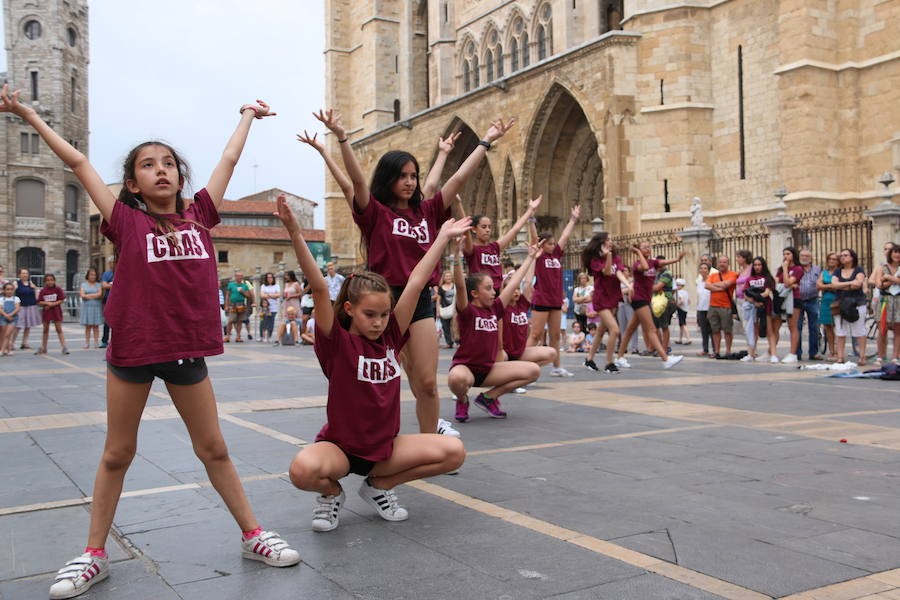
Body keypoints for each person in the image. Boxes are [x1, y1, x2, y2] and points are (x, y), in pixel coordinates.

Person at [0, 88, 302, 600]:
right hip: (134, 351)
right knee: (118, 453)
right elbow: (76, 160)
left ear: (180, 177)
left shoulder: (201, 216)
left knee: (214, 448)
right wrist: (25, 113)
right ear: (133, 183)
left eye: (168, 163)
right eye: (147, 165)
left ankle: (253, 534)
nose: (160, 170)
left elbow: (228, 159)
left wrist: (248, 116)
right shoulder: (125, 220)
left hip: (185, 350)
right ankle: (94, 553)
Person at [312, 107, 514, 438]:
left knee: (425, 382)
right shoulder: (375, 213)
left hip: (418, 300)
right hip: (382, 301)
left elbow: (458, 178)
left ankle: (428, 442)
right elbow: (357, 182)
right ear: (389, 178)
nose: (409, 182)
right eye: (402, 175)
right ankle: (355, 434)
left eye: (413, 176)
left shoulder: (428, 211)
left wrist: (486, 141)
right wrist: (342, 138)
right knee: (374, 376)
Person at [280, 194, 468, 532]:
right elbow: (321, 289)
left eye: (384, 314)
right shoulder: (337, 342)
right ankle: (332, 494)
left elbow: (414, 282)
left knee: (453, 452)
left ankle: (379, 487)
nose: (379, 321)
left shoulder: (391, 337)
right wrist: (295, 232)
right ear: (350, 310)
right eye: (370, 315)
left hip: (385, 449)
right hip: (341, 449)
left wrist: (440, 237)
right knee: (302, 471)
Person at [449, 240, 542, 421]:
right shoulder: (467, 311)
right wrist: (455, 255)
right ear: (475, 293)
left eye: (493, 288)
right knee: (455, 378)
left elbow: (514, 283)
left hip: (489, 369)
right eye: (489, 288)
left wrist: (530, 258)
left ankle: (489, 398)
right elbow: (460, 286)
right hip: (466, 369)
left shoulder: (496, 308)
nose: (494, 292)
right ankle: (462, 399)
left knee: (533, 371)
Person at [526, 205, 581, 377]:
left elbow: (565, 236)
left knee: (555, 336)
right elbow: (534, 238)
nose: (553, 245)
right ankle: (522, 366)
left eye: (553, 243)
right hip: (541, 299)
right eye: (549, 243)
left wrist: (573, 219)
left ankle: (557, 367)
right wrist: (531, 218)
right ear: (543, 244)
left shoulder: (556, 255)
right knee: (535, 335)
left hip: (555, 300)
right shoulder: (539, 256)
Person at [615, 243, 685, 369]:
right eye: (644, 247)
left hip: (646, 299)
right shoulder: (636, 265)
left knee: (630, 329)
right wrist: (638, 252)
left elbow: (665, 262)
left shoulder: (654, 262)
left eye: (649, 247)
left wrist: (678, 259)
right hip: (639, 298)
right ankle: (665, 359)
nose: (648, 249)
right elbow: (645, 267)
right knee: (652, 329)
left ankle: (619, 357)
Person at [462, 195, 542, 293]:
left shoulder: (494, 247)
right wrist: (459, 204)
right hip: (481, 294)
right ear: (474, 229)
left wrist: (530, 211)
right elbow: (466, 230)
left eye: (489, 227)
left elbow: (515, 230)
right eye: (483, 227)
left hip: (498, 293)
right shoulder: (473, 249)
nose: (487, 230)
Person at [582, 232, 629, 373]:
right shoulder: (595, 260)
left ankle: (589, 360)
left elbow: (619, 272)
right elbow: (608, 272)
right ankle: (609, 362)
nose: (611, 241)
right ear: (601, 243)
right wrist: (607, 256)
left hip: (613, 297)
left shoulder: (617, 257)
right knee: (614, 330)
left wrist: (628, 285)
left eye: (611, 239)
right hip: (601, 298)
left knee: (601, 331)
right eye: (608, 240)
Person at [831, 248, 868, 365]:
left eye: (845, 255)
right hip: (840, 304)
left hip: (857, 303)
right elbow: (833, 285)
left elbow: (858, 284)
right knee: (840, 330)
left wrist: (842, 285)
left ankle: (862, 356)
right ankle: (840, 356)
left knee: (859, 330)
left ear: (852, 257)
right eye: (841, 255)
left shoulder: (859, 269)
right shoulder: (837, 271)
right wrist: (849, 283)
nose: (842, 257)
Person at [773, 247, 803, 363]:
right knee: (776, 325)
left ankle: (792, 353)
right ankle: (772, 351)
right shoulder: (780, 269)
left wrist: (786, 269)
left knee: (792, 325)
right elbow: (775, 282)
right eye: (784, 254)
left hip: (794, 299)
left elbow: (787, 283)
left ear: (793, 255)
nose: (786, 256)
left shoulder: (797, 269)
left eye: (788, 254)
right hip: (781, 298)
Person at [704, 255, 737, 357]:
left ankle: (728, 351)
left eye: (724, 262)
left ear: (728, 264)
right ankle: (717, 351)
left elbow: (727, 284)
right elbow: (706, 285)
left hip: (726, 306)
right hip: (713, 306)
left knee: (727, 330)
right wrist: (720, 286)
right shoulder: (713, 275)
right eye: (720, 262)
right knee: (715, 330)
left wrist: (714, 286)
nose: (722, 264)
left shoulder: (733, 274)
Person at [746, 257, 777, 362]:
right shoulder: (749, 279)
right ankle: (750, 354)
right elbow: (746, 295)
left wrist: (757, 297)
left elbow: (766, 293)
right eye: (755, 265)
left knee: (769, 330)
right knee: (753, 331)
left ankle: (773, 354)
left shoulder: (768, 278)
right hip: (753, 307)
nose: (757, 267)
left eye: (759, 265)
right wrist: (754, 302)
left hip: (765, 306)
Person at [874, 245, 900, 363]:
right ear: (890, 254)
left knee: (898, 330)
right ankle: (880, 355)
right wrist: (893, 281)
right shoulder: (882, 267)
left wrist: (888, 278)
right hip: (885, 300)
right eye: (895, 252)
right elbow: (879, 284)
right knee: (882, 329)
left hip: (898, 300)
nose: (897, 255)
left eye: (899, 252)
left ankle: (895, 356)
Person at [795, 248, 822, 360]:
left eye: (807, 256)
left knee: (814, 326)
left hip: (813, 299)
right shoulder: (796, 269)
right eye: (802, 256)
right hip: (798, 300)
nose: (804, 258)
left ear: (811, 258)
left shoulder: (817, 269)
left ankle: (814, 352)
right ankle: (797, 353)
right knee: (797, 327)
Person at [36, 273, 68, 355]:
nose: (49, 282)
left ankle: (64, 347)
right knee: (45, 330)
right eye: (47, 280)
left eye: (51, 280)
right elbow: (39, 301)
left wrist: (52, 304)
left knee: (59, 329)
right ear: (45, 282)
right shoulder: (43, 291)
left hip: (56, 311)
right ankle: (44, 347)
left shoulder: (58, 289)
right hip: (46, 312)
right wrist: (46, 303)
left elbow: (61, 299)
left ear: (54, 281)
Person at [817, 252, 840, 361]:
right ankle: (831, 351)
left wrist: (825, 286)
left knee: (838, 326)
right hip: (826, 301)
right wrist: (831, 286)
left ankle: (838, 351)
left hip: (837, 301)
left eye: (834, 259)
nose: (832, 261)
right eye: (830, 259)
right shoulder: (824, 272)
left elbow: (839, 287)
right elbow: (818, 285)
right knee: (828, 327)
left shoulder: (840, 272)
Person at [652, 256, 677, 351]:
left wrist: (648, 287)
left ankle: (665, 348)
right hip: (657, 302)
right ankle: (659, 347)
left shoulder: (667, 273)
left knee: (664, 326)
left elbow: (657, 287)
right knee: (655, 327)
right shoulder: (657, 274)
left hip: (665, 302)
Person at [734, 250, 754, 360]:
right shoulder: (742, 270)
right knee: (745, 326)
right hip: (739, 300)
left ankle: (751, 350)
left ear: (744, 258)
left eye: (738, 257)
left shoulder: (751, 269)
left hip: (747, 301)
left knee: (749, 326)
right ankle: (750, 349)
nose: (737, 259)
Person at [12, 268, 39, 349]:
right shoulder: (16, 283)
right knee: (18, 326)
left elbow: (37, 293)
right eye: (23, 273)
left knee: (28, 325)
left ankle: (24, 343)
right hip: (20, 306)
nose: (25, 275)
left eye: (26, 273)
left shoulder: (30, 283)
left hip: (30, 306)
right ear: (19, 275)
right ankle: (11, 343)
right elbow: (12, 293)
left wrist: (35, 288)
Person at [224, 271, 253, 343]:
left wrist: (243, 291)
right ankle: (227, 336)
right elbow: (227, 295)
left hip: (241, 305)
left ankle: (238, 336)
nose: (239, 278)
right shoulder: (231, 285)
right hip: (233, 305)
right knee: (230, 321)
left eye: (240, 276)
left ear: (242, 277)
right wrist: (226, 305)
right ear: (235, 277)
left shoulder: (244, 286)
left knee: (239, 321)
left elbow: (249, 296)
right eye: (238, 276)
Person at [79, 268, 104, 349]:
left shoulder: (99, 285)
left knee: (96, 326)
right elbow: (82, 295)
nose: (92, 276)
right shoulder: (83, 285)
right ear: (88, 275)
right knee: (88, 326)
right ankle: (87, 343)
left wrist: (88, 295)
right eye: (91, 275)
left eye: (94, 275)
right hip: (87, 307)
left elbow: (100, 295)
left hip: (96, 307)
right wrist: (94, 295)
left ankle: (96, 342)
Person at [618, 266, 640, 354]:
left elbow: (632, 289)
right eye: (622, 271)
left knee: (632, 326)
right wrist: (626, 290)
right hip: (620, 304)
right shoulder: (618, 282)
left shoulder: (632, 280)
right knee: (622, 326)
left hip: (630, 305)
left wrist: (624, 291)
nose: (623, 272)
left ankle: (634, 347)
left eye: (625, 271)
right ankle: (624, 347)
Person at [436, 269, 456, 349]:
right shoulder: (441, 288)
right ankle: (449, 343)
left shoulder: (455, 286)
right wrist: (438, 311)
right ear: (443, 278)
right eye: (446, 276)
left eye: (449, 276)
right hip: (444, 310)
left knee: (455, 326)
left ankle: (458, 342)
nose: (448, 277)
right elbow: (438, 300)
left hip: (454, 309)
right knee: (445, 327)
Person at [695, 262, 712, 356]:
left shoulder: (711, 280)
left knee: (712, 330)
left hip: (710, 308)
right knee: (704, 330)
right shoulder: (698, 282)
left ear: (708, 270)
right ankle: (705, 349)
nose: (703, 270)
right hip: (701, 308)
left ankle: (714, 350)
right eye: (701, 268)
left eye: (705, 268)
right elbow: (699, 296)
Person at [259, 272, 281, 341]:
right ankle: (262, 336)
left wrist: (268, 294)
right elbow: (262, 295)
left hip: (273, 307)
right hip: (264, 307)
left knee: (271, 322)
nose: (269, 279)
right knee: (263, 322)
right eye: (268, 277)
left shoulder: (276, 286)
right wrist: (273, 295)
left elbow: (278, 295)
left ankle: (269, 336)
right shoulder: (263, 286)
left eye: (271, 277)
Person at [0, 281, 21, 355]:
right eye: (7, 289)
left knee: (8, 334)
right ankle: (8, 349)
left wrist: (10, 315)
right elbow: (0, 309)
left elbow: (17, 308)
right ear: (4, 290)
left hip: (13, 319)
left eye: (11, 289)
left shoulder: (16, 299)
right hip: (3, 318)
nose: (9, 291)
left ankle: (2, 350)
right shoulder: (2, 299)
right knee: (4, 334)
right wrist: (6, 315)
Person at [99, 259, 114, 348]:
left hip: (118, 300)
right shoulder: (106, 274)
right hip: (108, 300)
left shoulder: (121, 271)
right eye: (111, 263)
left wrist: (110, 285)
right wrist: (114, 285)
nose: (113, 264)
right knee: (107, 321)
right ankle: (105, 340)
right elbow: (104, 285)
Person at [674, 278, 691, 345]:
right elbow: (689, 301)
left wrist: (677, 305)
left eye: (678, 285)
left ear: (682, 285)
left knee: (683, 324)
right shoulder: (686, 292)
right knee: (681, 324)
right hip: (685, 309)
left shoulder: (679, 292)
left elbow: (682, 300)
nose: (677, 286)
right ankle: (680, 339)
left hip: (681, 309)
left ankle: (688, 339)